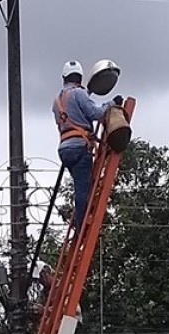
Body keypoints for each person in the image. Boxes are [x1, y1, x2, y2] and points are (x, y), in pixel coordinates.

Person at [52, 60, 123, 231]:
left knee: (80, 186)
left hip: (64, 149)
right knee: (84, 189)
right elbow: (96, 113)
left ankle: (79, 219)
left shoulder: (57, 101)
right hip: (79, 147)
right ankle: (82, 224)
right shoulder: (79, 94)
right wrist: (112, 103)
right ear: (80, 77)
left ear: (64, 77)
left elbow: (69, 116)